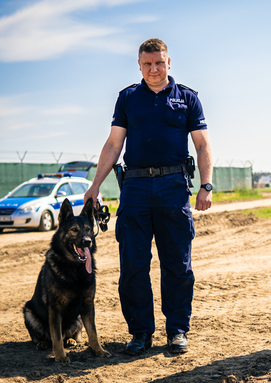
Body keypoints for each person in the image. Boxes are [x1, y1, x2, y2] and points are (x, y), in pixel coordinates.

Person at [84, 38, 213, 355]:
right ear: (139, 65)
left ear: (169, 63)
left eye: (159, 62)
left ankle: (177, 331)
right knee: (132, 267)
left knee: (178, 267)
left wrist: (206, 185)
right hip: (136, 189)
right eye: (147, 64)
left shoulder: (188, 99)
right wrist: (95, 185)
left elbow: (202, 145)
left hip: (173, 188)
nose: (153, 69)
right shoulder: (128, 98)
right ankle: (140, 333)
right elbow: (114, 144)